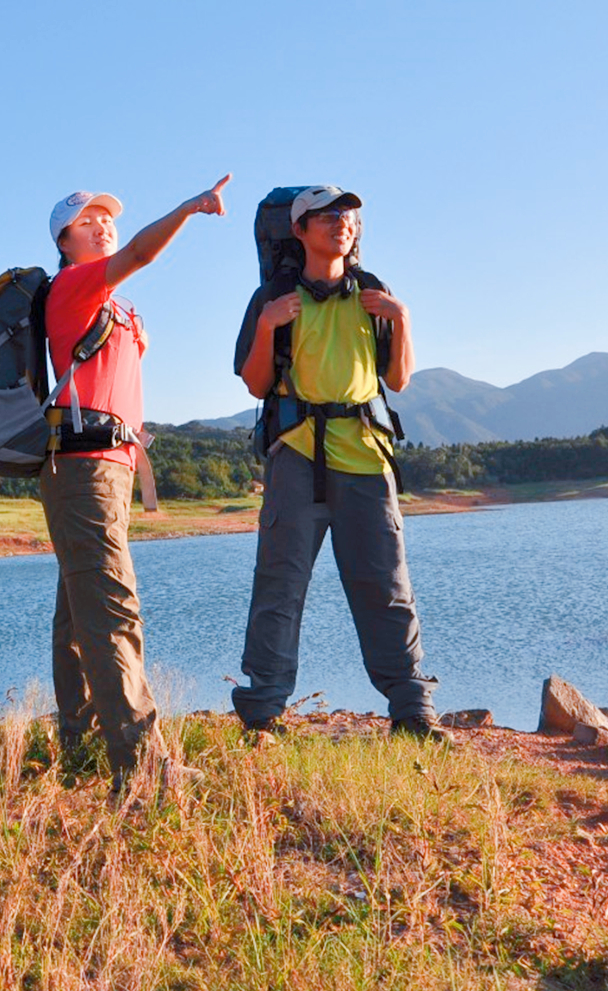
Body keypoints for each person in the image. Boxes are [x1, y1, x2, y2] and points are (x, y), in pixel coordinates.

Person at [229, 185, 439, 738]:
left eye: (346, 214)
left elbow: (397, 380)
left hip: (367, 455)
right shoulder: (274, 298)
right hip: (296, 453)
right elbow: (256, 383)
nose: (340, 222)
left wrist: (403, 319)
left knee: (387, 586)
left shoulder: (374, 294)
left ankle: (413, 712)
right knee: (280, 586)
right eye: (325, 216)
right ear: (299, 231)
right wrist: (270, 323)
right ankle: (265, 715)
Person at [41, 178, 229, 790]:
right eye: (87, 221)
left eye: (107, 218)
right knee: (112, 605)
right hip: (84, 468)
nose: (102, 225)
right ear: (64, 241)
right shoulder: (73, 286)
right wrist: (189, 208)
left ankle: (81, 748)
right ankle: (144, 764)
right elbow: (143, 254)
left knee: (80, 614)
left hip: (110, 466)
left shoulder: (116, 306)